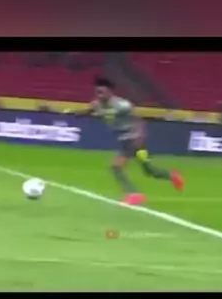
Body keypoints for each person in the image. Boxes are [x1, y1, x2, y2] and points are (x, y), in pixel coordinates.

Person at [68, 77, 184, 205]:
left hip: (132, 139)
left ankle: (134, 194)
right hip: (127, 141)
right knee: (149, 171)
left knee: (116, 167)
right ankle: (172, 176)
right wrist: (78, 113)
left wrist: (140, 137)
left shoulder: (122, 105)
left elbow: (139, 121)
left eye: (102, 92)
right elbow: (90, 110)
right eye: (97, 92)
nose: (99, 95)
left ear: (110, 92)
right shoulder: (97, 104)